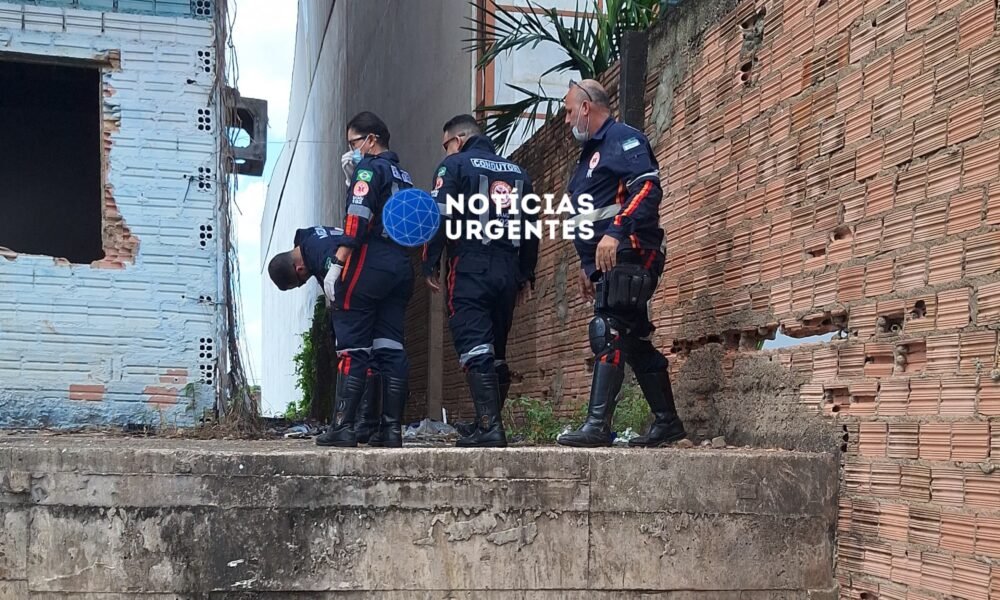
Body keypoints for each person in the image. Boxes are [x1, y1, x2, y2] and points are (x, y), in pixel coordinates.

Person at [556, 79, 686, 448]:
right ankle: (668, 422)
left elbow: (646, 188)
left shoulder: (623, 139)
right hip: (609, 259)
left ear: (586, 107)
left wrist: (615, 231)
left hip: (633, 249)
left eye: (569, 111)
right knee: (633, 339)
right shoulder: (587, 157)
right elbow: (585, 214)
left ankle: (598, 425)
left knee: (608, 329)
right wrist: (587, 264)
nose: (566, 120)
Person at [277, 111, 414, 448]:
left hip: (369, 262)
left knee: (353, 349)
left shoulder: (368, 169)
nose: (351, 149)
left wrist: (339, 262)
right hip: (400, 265)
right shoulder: (403, 174)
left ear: (371, 140)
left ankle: (343, 427)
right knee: (390, 348)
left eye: (354, 142)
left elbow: (357, 216)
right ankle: (391, 430)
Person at [423, 114, 538, 448]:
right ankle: (486, 422)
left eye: (445, 145)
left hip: (470, 266)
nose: (445, 151)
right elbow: (531, 227)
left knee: (473, 343)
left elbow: (440, 213)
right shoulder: (518, 172)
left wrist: (430, 260)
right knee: (495, 350)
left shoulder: (454, 165)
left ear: (458, 140)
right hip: (507, 270)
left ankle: (490, 428)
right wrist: (525, 275)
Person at [266, 226, 381, 443]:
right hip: (383, 273)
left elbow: (342, 278)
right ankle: (368, 425)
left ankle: (345, 426)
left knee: (352, 354)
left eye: (300, 282)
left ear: (299, 269)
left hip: (360, 293)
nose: (304, 283)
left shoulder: (321, 254)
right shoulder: (311, 237)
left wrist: (342, 319)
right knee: (377, 353)